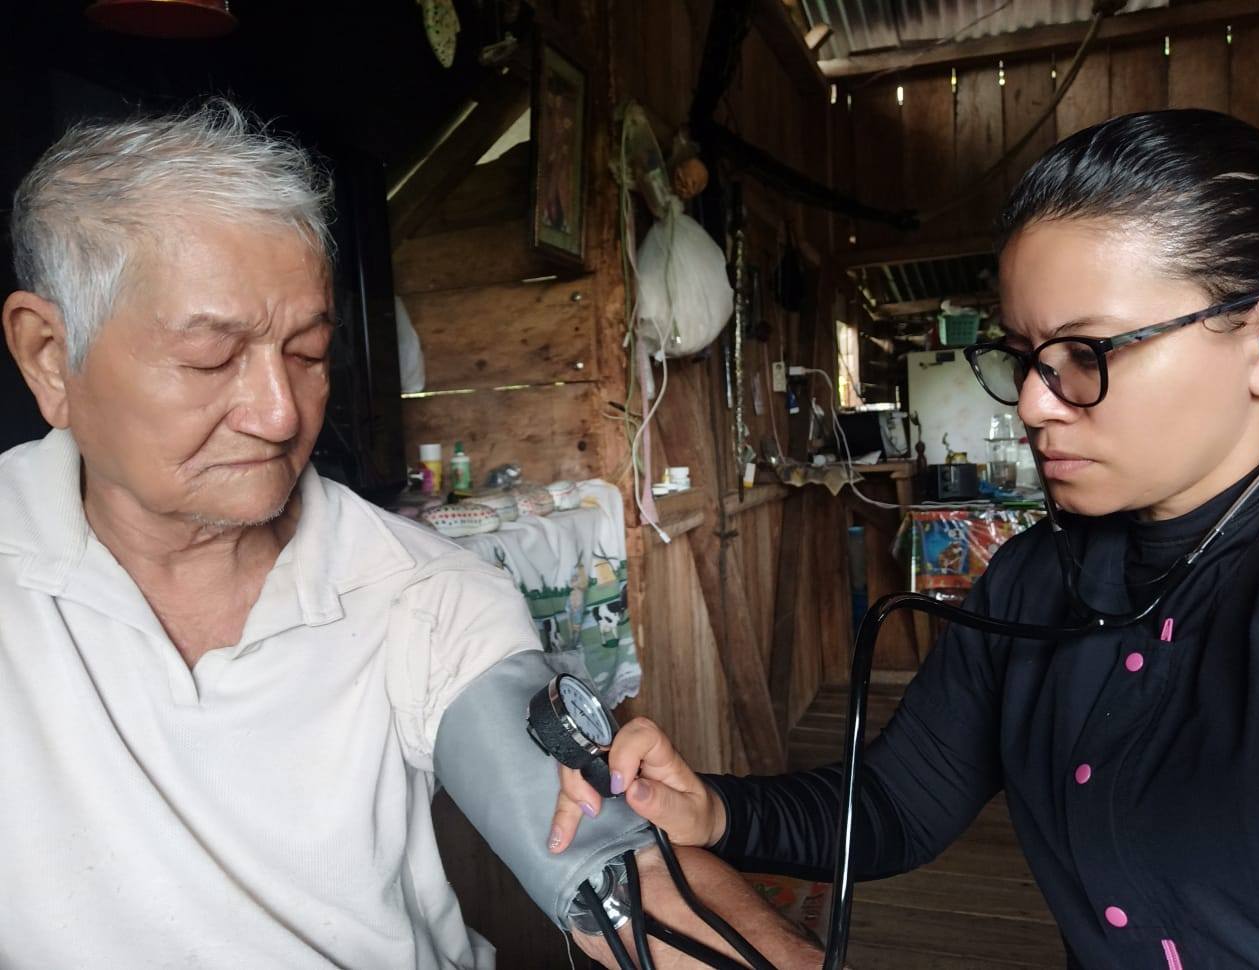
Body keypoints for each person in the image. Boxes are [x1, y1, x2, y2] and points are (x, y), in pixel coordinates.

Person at [0, 100, 821, 970]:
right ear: (49, 354)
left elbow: (618, 877)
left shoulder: (422, 594)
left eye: (308, 354)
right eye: (212, 359)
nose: (281, 415)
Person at [552, 108, 1259, 969]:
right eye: (1023, 355)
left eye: (1087, 353)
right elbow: (898, 803)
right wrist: (714, 811)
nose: (1033, 402)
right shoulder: (1032, 580)